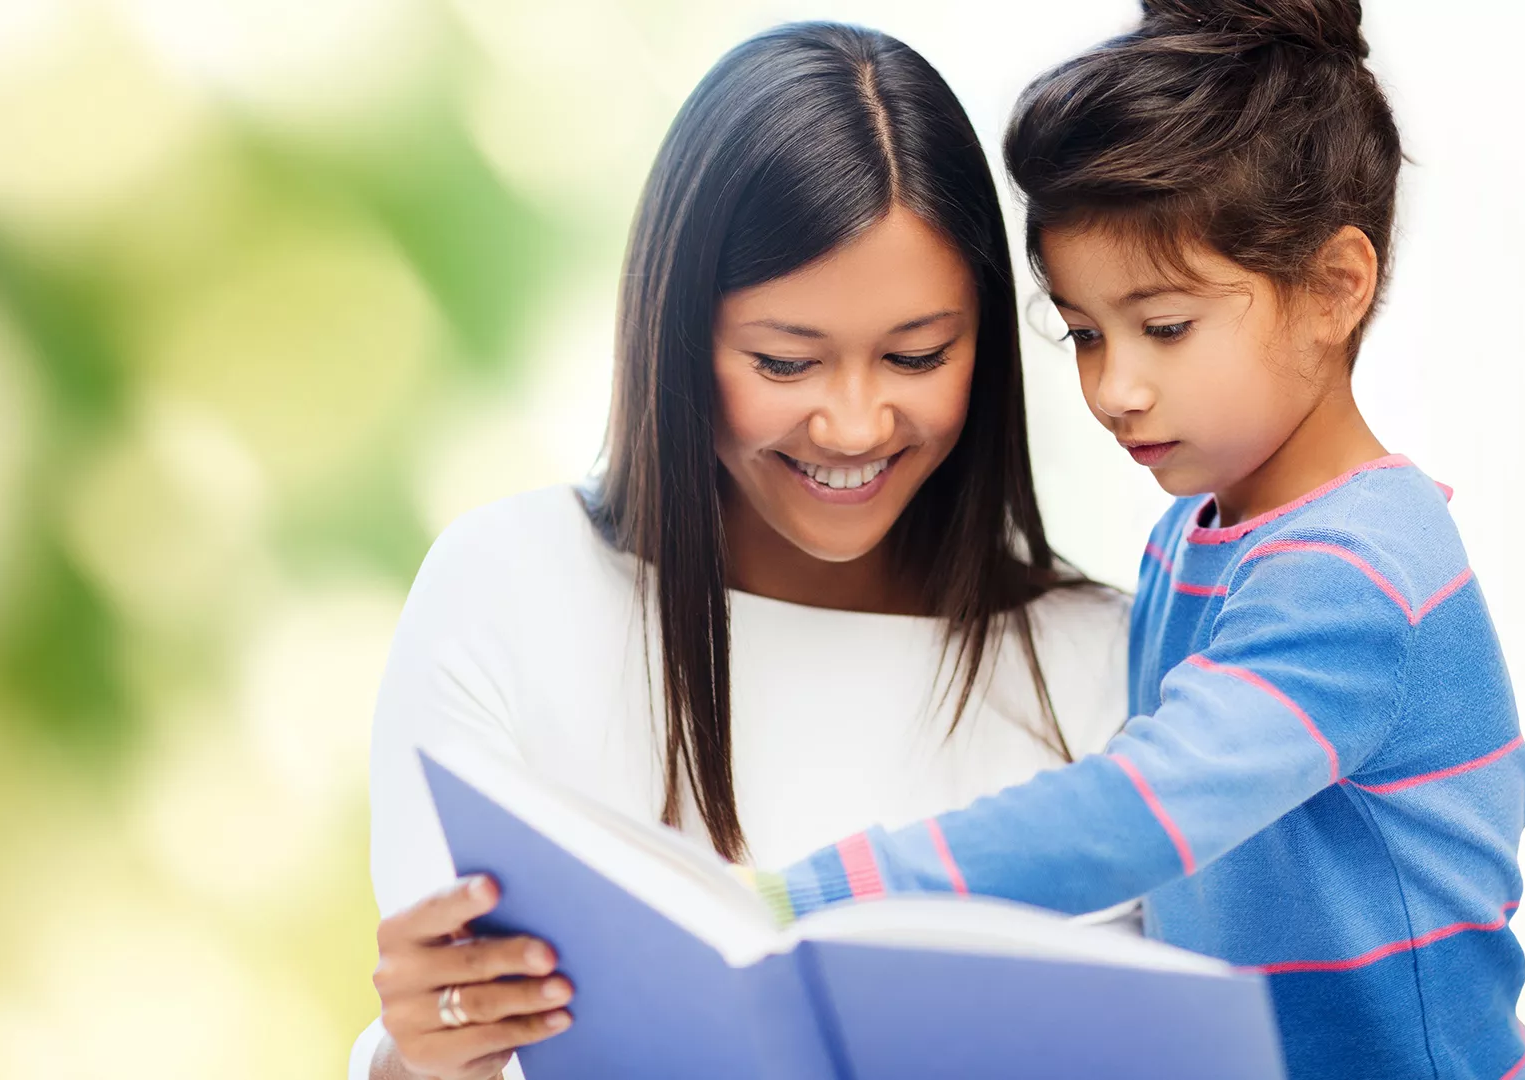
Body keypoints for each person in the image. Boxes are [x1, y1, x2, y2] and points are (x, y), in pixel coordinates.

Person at [758, 3, 1525, 1078]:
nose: (1113, 389)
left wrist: (822, 897)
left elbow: (1139, 813)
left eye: (1164, 327)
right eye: (1084, 333)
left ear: (1333, 288)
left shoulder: (1357, 575)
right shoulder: (1196, 533)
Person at [352, 22, 1133, 1080]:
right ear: (676, 335)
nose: (855, 426)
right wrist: (414, 1060)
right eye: (785, 360)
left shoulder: (1103, 667)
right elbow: (451, 1029)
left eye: (917, 354)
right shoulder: (509, 592)